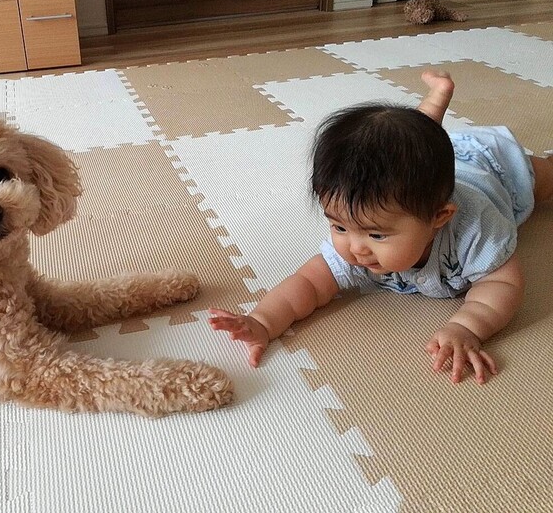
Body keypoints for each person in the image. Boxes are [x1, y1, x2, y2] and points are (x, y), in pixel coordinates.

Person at [209, 70, 553, 384]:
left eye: (376, 234)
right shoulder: (362, 232)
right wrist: (263, 322)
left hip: (490, 170)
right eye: (339, 227)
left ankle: (442, 113)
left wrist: (467, 326)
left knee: (544, 182)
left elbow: (501, 282)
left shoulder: (475, 230)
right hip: (421, 181)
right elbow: (308, 284)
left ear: (439, 218)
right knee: (408, 150)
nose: (355, 248)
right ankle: (433, 106)